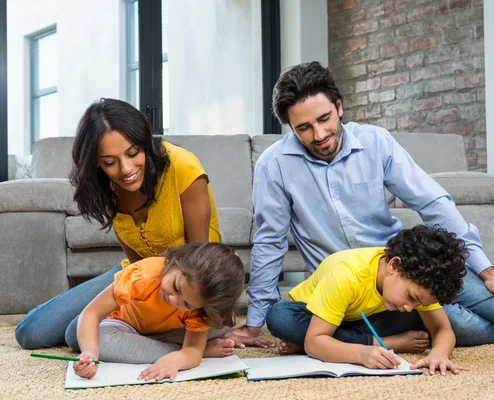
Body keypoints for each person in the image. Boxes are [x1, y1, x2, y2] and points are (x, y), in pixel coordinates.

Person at [229, 61, 494, 346]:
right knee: (457, 327)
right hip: (353, 291)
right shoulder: (274, 164)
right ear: (290, 129)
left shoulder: (375, 142)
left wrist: (486, 269)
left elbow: (432, 202)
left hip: (407, 269)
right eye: (304, 128)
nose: (319, 135)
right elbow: (270, 241)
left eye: (324, 119)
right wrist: (255, 322)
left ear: (339, 107)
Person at [15, 98, 268, 354]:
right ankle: (165, 339)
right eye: (110, 162)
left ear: (146, 144)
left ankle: (192, 345)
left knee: (74, 335)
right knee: (30, 333)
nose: (126, 169)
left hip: (187, 282)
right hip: (142, 277)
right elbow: (136, 264)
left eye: (133, 153)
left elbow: (198, 256)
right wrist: (129, 300)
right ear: (96, 163)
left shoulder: (182, 166)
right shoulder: (106, 187)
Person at [267, 226, 470, 376]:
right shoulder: (346, 274)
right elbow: (314, 343)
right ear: (394, 265)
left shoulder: (420, 284)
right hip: (313, 316)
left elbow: (442, 329)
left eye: (420, 303)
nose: (410, 307)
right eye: (411, 297)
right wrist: (362, 353)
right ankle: (386, 342)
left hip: (365, 320)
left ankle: (331, 345)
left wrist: (439, 353)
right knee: (279, 317)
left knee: (417, 318)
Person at [73, 242, 244, 380]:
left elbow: (192, 348)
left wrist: (180, 359)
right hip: (126, 326)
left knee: (221, 322)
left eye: (187, 304)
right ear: (177, 261)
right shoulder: (143, 275)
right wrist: (90, 354)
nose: (173, 300)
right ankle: (198, 350)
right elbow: (91, 314)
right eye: (176, 287)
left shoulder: (201, 307)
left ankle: (182, 350)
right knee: (99, 339)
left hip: (169, 331)